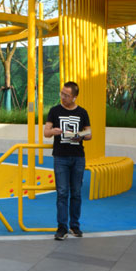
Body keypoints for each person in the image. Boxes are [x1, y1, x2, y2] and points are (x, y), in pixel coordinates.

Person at [44, 81, 92, 241]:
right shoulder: (54, 111)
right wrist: (53, 131)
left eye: (67, 95)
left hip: (78, 157)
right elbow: (46, 132)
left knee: (76, 193)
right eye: (62, 93)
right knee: (62, 192)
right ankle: (62, 227)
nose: (63, 97)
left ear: (74, 97)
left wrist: (80, 135)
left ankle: (75, 225)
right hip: (60, 157)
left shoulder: (82, 112)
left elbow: (89, 134)